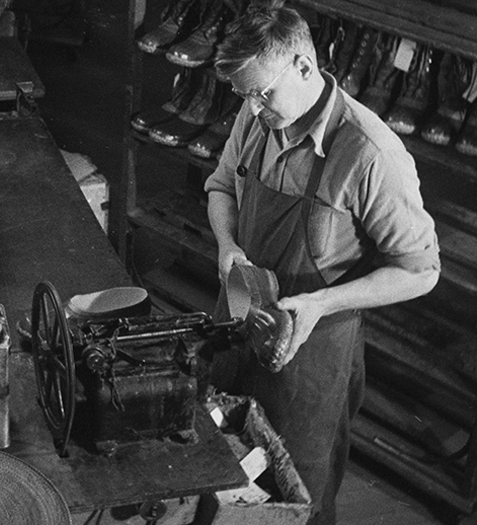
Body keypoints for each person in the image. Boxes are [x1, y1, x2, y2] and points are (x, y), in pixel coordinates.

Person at [203, 1, 441, 524]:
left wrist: (320, 302)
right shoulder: (256, 113)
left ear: (305, 66)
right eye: (245, 96)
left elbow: (421, 270)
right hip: (240, 318)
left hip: (312, 352)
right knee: (224, 463)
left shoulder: (370, 153)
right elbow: (222, 186)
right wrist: (227, 245)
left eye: (263, 93)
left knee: (298, 491)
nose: (254, 107)